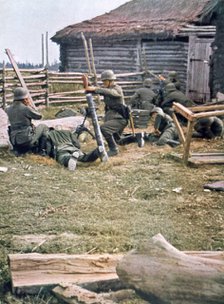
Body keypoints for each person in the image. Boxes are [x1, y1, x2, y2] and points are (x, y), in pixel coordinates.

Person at [85, 70, 129, 157]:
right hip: (112, 118)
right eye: (103, 81)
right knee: (118, 140)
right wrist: (88, 88)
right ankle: (138, 137)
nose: (104, 83)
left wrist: (97, 89)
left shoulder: (117, 88)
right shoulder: (106, 89)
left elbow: (113, 93)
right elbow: (94, 91)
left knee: (104, 129)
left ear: (111, 81)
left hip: (120, 119)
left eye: (105, 81)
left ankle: (113, 149)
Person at [5, 87, 49, 156]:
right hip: (26, 140)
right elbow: (39, 116)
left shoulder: (8, 109)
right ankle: (42, 151)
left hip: (14, 141)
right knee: (43, 127)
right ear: (24, 98)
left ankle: (18, 150)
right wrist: (29, 105)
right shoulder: (25, 108)